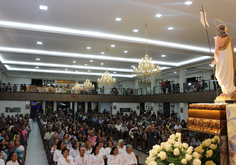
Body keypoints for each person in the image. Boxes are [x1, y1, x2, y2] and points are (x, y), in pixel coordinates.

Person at [211, 24, 236, 99]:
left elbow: (216, 50)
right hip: (227, 58)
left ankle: (229, 90)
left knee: (219, 74)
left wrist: (215, 60)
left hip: (221, 58)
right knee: (226, 72)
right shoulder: (229, 38)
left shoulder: (218, 38)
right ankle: (227, 90)